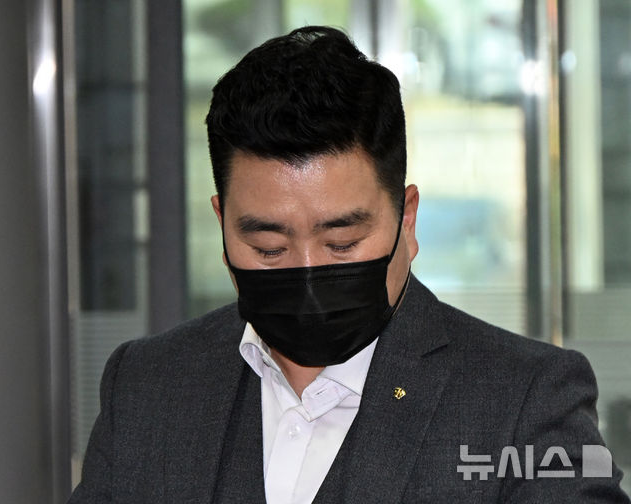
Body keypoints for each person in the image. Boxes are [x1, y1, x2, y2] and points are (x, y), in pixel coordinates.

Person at [69, 26, 629, 503]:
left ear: (407, 220)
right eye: (269, 248)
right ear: (222, 223)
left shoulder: (527, 400)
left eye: (342, 243)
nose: (308, 274)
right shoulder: (147, 386)